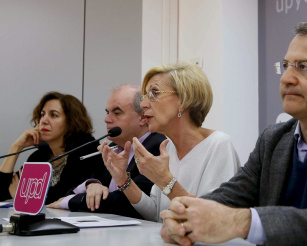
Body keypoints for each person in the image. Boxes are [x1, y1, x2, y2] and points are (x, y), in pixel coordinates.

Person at [159, 20, 307, 246]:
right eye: (286, 66)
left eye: (304, 67)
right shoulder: (274, 138)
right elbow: (231, 197)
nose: (286, 78)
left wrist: (243, 222)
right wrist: (185, 216)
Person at [100, 63, 241, 222]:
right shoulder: (168, 147)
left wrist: (165, 180)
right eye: (144, 96)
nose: (144, 104)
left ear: (184, 100)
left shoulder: (218, 144)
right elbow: (156, 213)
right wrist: (123, 179)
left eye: (154, 93)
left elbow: (213, 220)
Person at [47, 85, 166, 218]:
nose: (107, 119)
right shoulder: (113, 146)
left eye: (117, 113)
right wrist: (92, 185)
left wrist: (68, 202)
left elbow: (126, 204)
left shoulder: (156, 148)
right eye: (107, 112)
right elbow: (73, 188)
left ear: (144, 117)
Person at [0, 91, 105, 204]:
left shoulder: (86, 150)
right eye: (42, 114)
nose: (44, 120)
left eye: (53, 115)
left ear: (71, 122)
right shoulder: (40, 156)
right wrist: (17, 147)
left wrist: (23, 196)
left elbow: (64, 195)